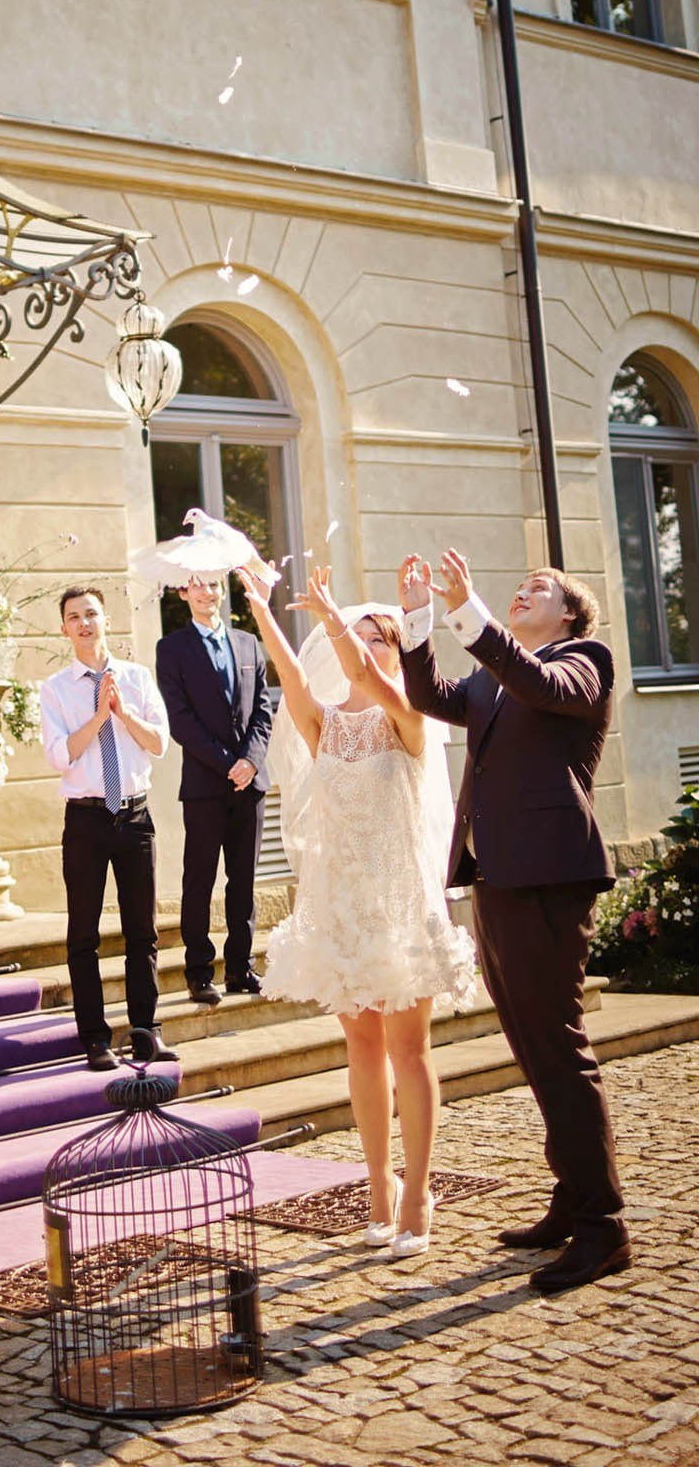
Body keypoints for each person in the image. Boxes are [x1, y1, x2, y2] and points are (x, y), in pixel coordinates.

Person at [398, 549, 630, 1293]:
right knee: (530, 1045)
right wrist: (416, 619)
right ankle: (571, 1195)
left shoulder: (583, 661)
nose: (523, 593)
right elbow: (432, 695)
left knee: (559, 1046)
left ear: (568, 613)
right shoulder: (495, 681)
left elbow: (536, 681)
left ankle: (604, 1227)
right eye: (519, 587)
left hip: (552, 879)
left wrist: (474, 615)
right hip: (496, 876)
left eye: (539, 590)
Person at [239, 564, 475, 1257]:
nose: (368, 647)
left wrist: (336, 618)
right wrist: (261, 608)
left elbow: (371, 681)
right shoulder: (327, 725)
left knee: (410, 1050)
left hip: (399, 906)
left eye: (382, 637)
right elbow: (290, 677)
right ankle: (377, 1183)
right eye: (361, 636)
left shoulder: (412, 719)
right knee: (362, 1050)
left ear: (399, 651)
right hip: (341, 904)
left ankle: (420, 1188)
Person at [39, 585, 177, 1071]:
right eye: (74, 616)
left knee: (143, 932)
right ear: (64, 629)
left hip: (135, 816)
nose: (84, 623)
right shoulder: (55, 689)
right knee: (85, 934)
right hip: (86, 819)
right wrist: (99, 717)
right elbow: (60, 755)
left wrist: (123, 713)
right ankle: (95, 1039)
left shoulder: (136, 678)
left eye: (91, 614)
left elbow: (159, 743)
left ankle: (146, 1032)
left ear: (106, 620)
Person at [155, 575, 273, 1004]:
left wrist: (251, 762)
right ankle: (199, 971)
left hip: (251, 784)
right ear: (183, 593)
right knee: (199, 880)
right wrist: (229, 764)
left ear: (223, 590)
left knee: (243, 881)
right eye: (196, 586)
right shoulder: (171, 649)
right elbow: (181, 720)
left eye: (213, 584)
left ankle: (241, 968)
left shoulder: (248, 643)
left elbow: (263, 710)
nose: (207, 592)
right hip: (206, 785)